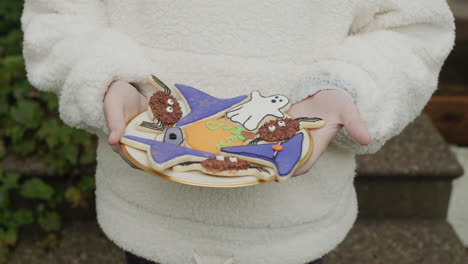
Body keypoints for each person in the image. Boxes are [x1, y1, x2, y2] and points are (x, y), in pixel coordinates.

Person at [21, 0, 454, 263]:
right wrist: (107, 78)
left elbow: (411, 27)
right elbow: (61, 15)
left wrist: (348, 86)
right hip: (149, 209)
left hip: (291, 224)